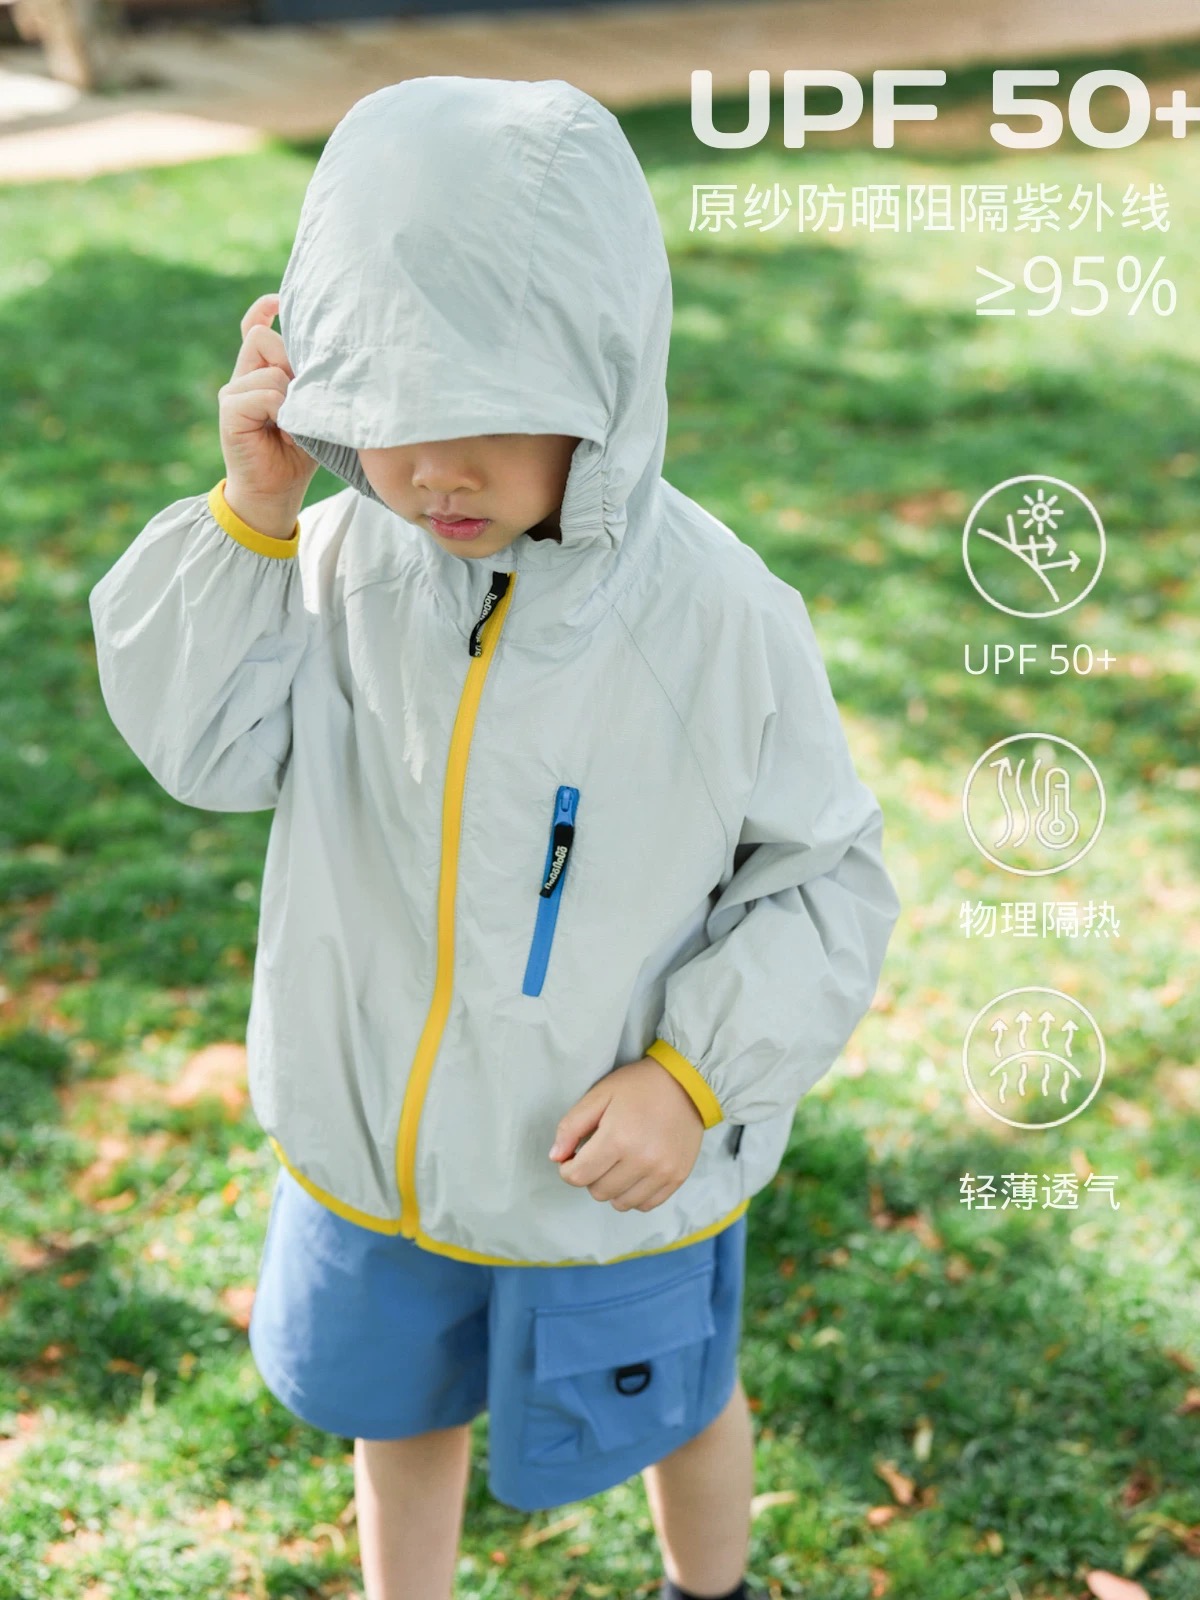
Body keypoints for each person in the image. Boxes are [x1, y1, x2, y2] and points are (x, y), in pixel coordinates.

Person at [88, 75, 902, 1600]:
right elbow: (202, 750)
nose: (430, 472)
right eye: (390, 416)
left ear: (603, 381)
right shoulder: (333, 560)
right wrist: (252, 514)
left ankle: (710, 1590)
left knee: (680, 1399)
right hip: (376, 1144)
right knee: (398, 1418)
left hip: (607, 1165)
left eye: (481, 418)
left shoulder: (717, 621)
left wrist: (692, 1079)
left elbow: (827, 882)